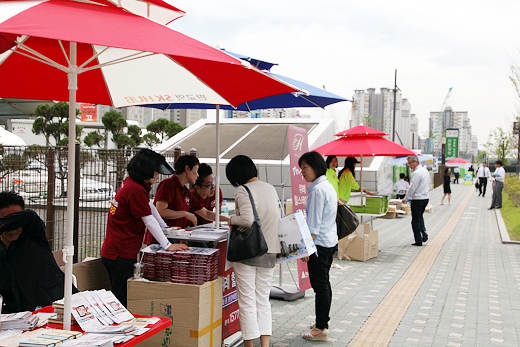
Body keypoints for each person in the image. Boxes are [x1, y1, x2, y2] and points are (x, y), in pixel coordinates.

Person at [101, 149, 189, 307]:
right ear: (147, 170)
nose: (157, 174)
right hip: (120, 254)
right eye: (156, 170)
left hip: (116, 251)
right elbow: (149, 220)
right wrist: (168, 245)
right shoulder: (135, 190)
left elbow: (149, 206)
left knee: (123, 296)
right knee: (123, 300)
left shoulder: (132, 184)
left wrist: (165, 227)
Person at [225, 155, 281, 347]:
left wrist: (231, 219)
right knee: (263, 300)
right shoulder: (271, 188)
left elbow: (247, 221)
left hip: (249, 253)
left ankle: (249, 345)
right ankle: (264, 345)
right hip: (270, 250)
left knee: (247, 301)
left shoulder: (243, 190)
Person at [0, 191, 78, 313]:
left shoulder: (33, 234)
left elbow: (29, 216)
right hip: (19, 318)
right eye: (6, 221)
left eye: (16, 220)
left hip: (59, 304)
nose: (12, 227)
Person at [145, 155, 230, 245]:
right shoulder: (167, 184)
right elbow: (160, 211)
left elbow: (205, 213)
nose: (197, 175)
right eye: (196, 170)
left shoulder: (186, 192)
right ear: (187, 168)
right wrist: (184, 214)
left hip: (174, 239)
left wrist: (229, 220)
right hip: (159, 240)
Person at [299, 152, 338, 342]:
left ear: (315, 166)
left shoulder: (317, 191)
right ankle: (323, 321)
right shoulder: (327, 185)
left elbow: (313, 226)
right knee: (324, 284)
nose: (302, 173)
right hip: (329, 241)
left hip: (319, 245)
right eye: (301, 169)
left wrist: (305, 249)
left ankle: (321, 327)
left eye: (304, 168)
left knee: (320, 286)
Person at [402, 155, 429, 246]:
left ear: (415, 162)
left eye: (410, 163)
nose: (409, 165)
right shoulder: (425, 170)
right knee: (420, 217)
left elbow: (412, 188)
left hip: (417, 199)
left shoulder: (416, 173)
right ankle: (423, 231)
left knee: (415, 220)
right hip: (425, 197)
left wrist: (405, 198)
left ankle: (418, 240)